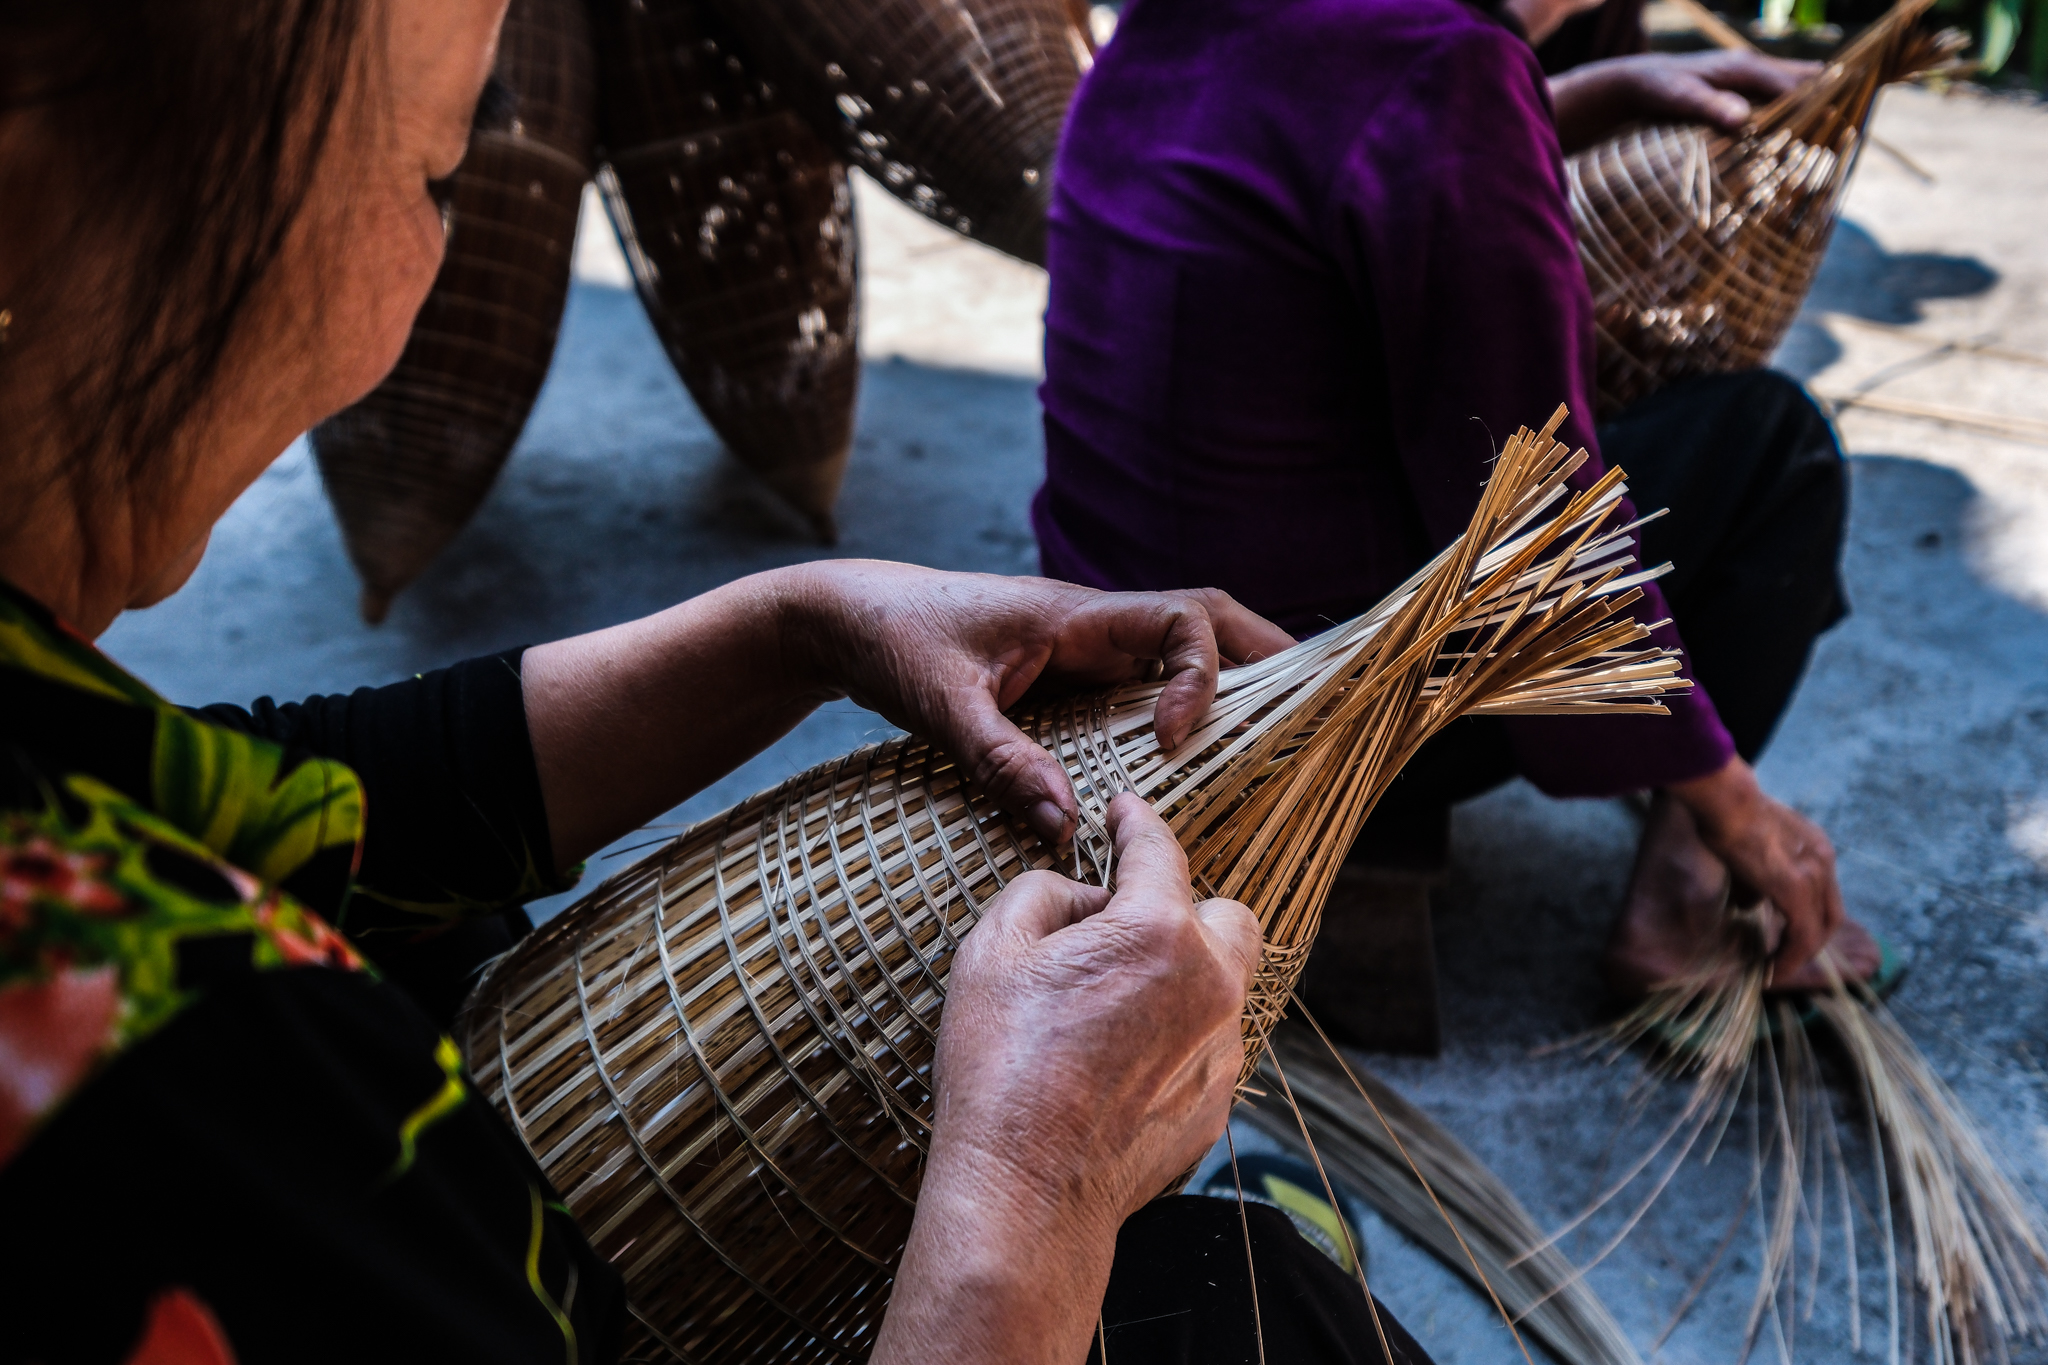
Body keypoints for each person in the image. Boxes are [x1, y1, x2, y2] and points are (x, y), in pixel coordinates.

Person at [0, 4, 1421, 1363]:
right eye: (437, 172)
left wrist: (800, 626)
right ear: (36, 202)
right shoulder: (159, 1103)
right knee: (1253, 1305)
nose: (427, 277)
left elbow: (227, 793)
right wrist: (1027, 1195)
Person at [1031, 0, 1888, 1034]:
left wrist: (1605, 94)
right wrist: (1740, 810)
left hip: (1117, 664)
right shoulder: (1446, 70)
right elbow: (1533, 547)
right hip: (1296, 718)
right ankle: (1683, 897)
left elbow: (1338, 144)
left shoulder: (1201, 23)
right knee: (1767, 445)